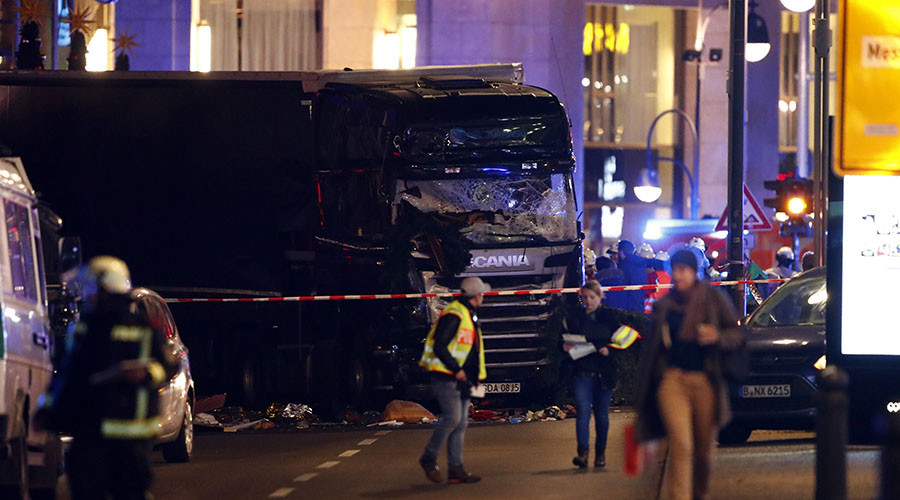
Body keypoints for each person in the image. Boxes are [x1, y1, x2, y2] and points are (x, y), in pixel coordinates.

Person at [35, 256, 178, 500]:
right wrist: (48, 413)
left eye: (92, 290)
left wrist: (145, 374)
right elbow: (68, 376)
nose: (87, 297)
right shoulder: (87, 329)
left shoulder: (142, 328)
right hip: (100, 433)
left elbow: (169, 366)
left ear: (105, 289)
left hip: (127, 436)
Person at [634, 250, 745, 500]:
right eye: (676, 269)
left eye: (684, 269)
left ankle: (700, 494)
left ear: (695, 271)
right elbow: (652, 352)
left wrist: (717, 336)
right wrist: (644, 393)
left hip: (706, 380)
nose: (679, 274)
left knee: (704, 452)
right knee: (681, 446)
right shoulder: (664, 305)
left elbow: (737, 334)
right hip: (673, 381)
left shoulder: (714, 299)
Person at [418, 277, 488, 484]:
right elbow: (440, 345)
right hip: (447, 375)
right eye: (482, 293)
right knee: (453, 419)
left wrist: (473, 379)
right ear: (476, 296)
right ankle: (428, 458)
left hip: (462, 378)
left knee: (461, 423)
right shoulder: (455, 314)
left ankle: (456, 469)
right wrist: (456, 369)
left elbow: (471, 351)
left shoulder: (467, 314)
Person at [562, 280, 625, 469]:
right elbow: (561, 338)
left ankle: (600, 453)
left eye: (592, 297)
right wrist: (564, 346)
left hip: (603, 373)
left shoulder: (609, 317)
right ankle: (583, 453)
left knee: (601, 415)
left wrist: (610, 350)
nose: (588, 301)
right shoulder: (574, 318)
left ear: (600, 297)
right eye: (584, 297)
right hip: (582, 371)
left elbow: (622, 341)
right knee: (582, 412)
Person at [613, 240, 663, 313]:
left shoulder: (623, 267)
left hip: (626, 309)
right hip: (639, 307)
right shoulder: (641, 263)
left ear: (621, 252)